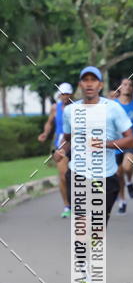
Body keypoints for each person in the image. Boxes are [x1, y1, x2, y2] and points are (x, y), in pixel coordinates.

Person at [62, 66, 133, 223]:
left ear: (100, 85)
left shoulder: (113, 108)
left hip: (106, 175)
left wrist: (104, 144)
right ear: (80, 85)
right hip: (77, 173)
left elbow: (130, 139)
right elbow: (67, 138)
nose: (89, 84)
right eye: (85, 80)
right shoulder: (70, 111)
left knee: (97, 225)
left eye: (93, 80)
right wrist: (61, 151)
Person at [38, 82, 74, 217]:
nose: (65, 96)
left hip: (76, 142)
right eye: (62, 94)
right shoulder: (55, 108)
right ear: (59, 95)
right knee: (63, 175)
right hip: (60, 143)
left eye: (67, 94)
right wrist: (45, 133)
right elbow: (49, 122)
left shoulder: (77, 107)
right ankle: (67, 206)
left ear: (71, 94)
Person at [114, 78, 133, 214]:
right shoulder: (112, 105)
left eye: (130, 85)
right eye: (125, 85)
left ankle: (130, 182)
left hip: (131, 142)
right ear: (120, 88)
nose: (127, 87)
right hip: (115, 144)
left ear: (132, 89)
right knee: (118, 174)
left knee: (127, 166)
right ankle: (122, 201)